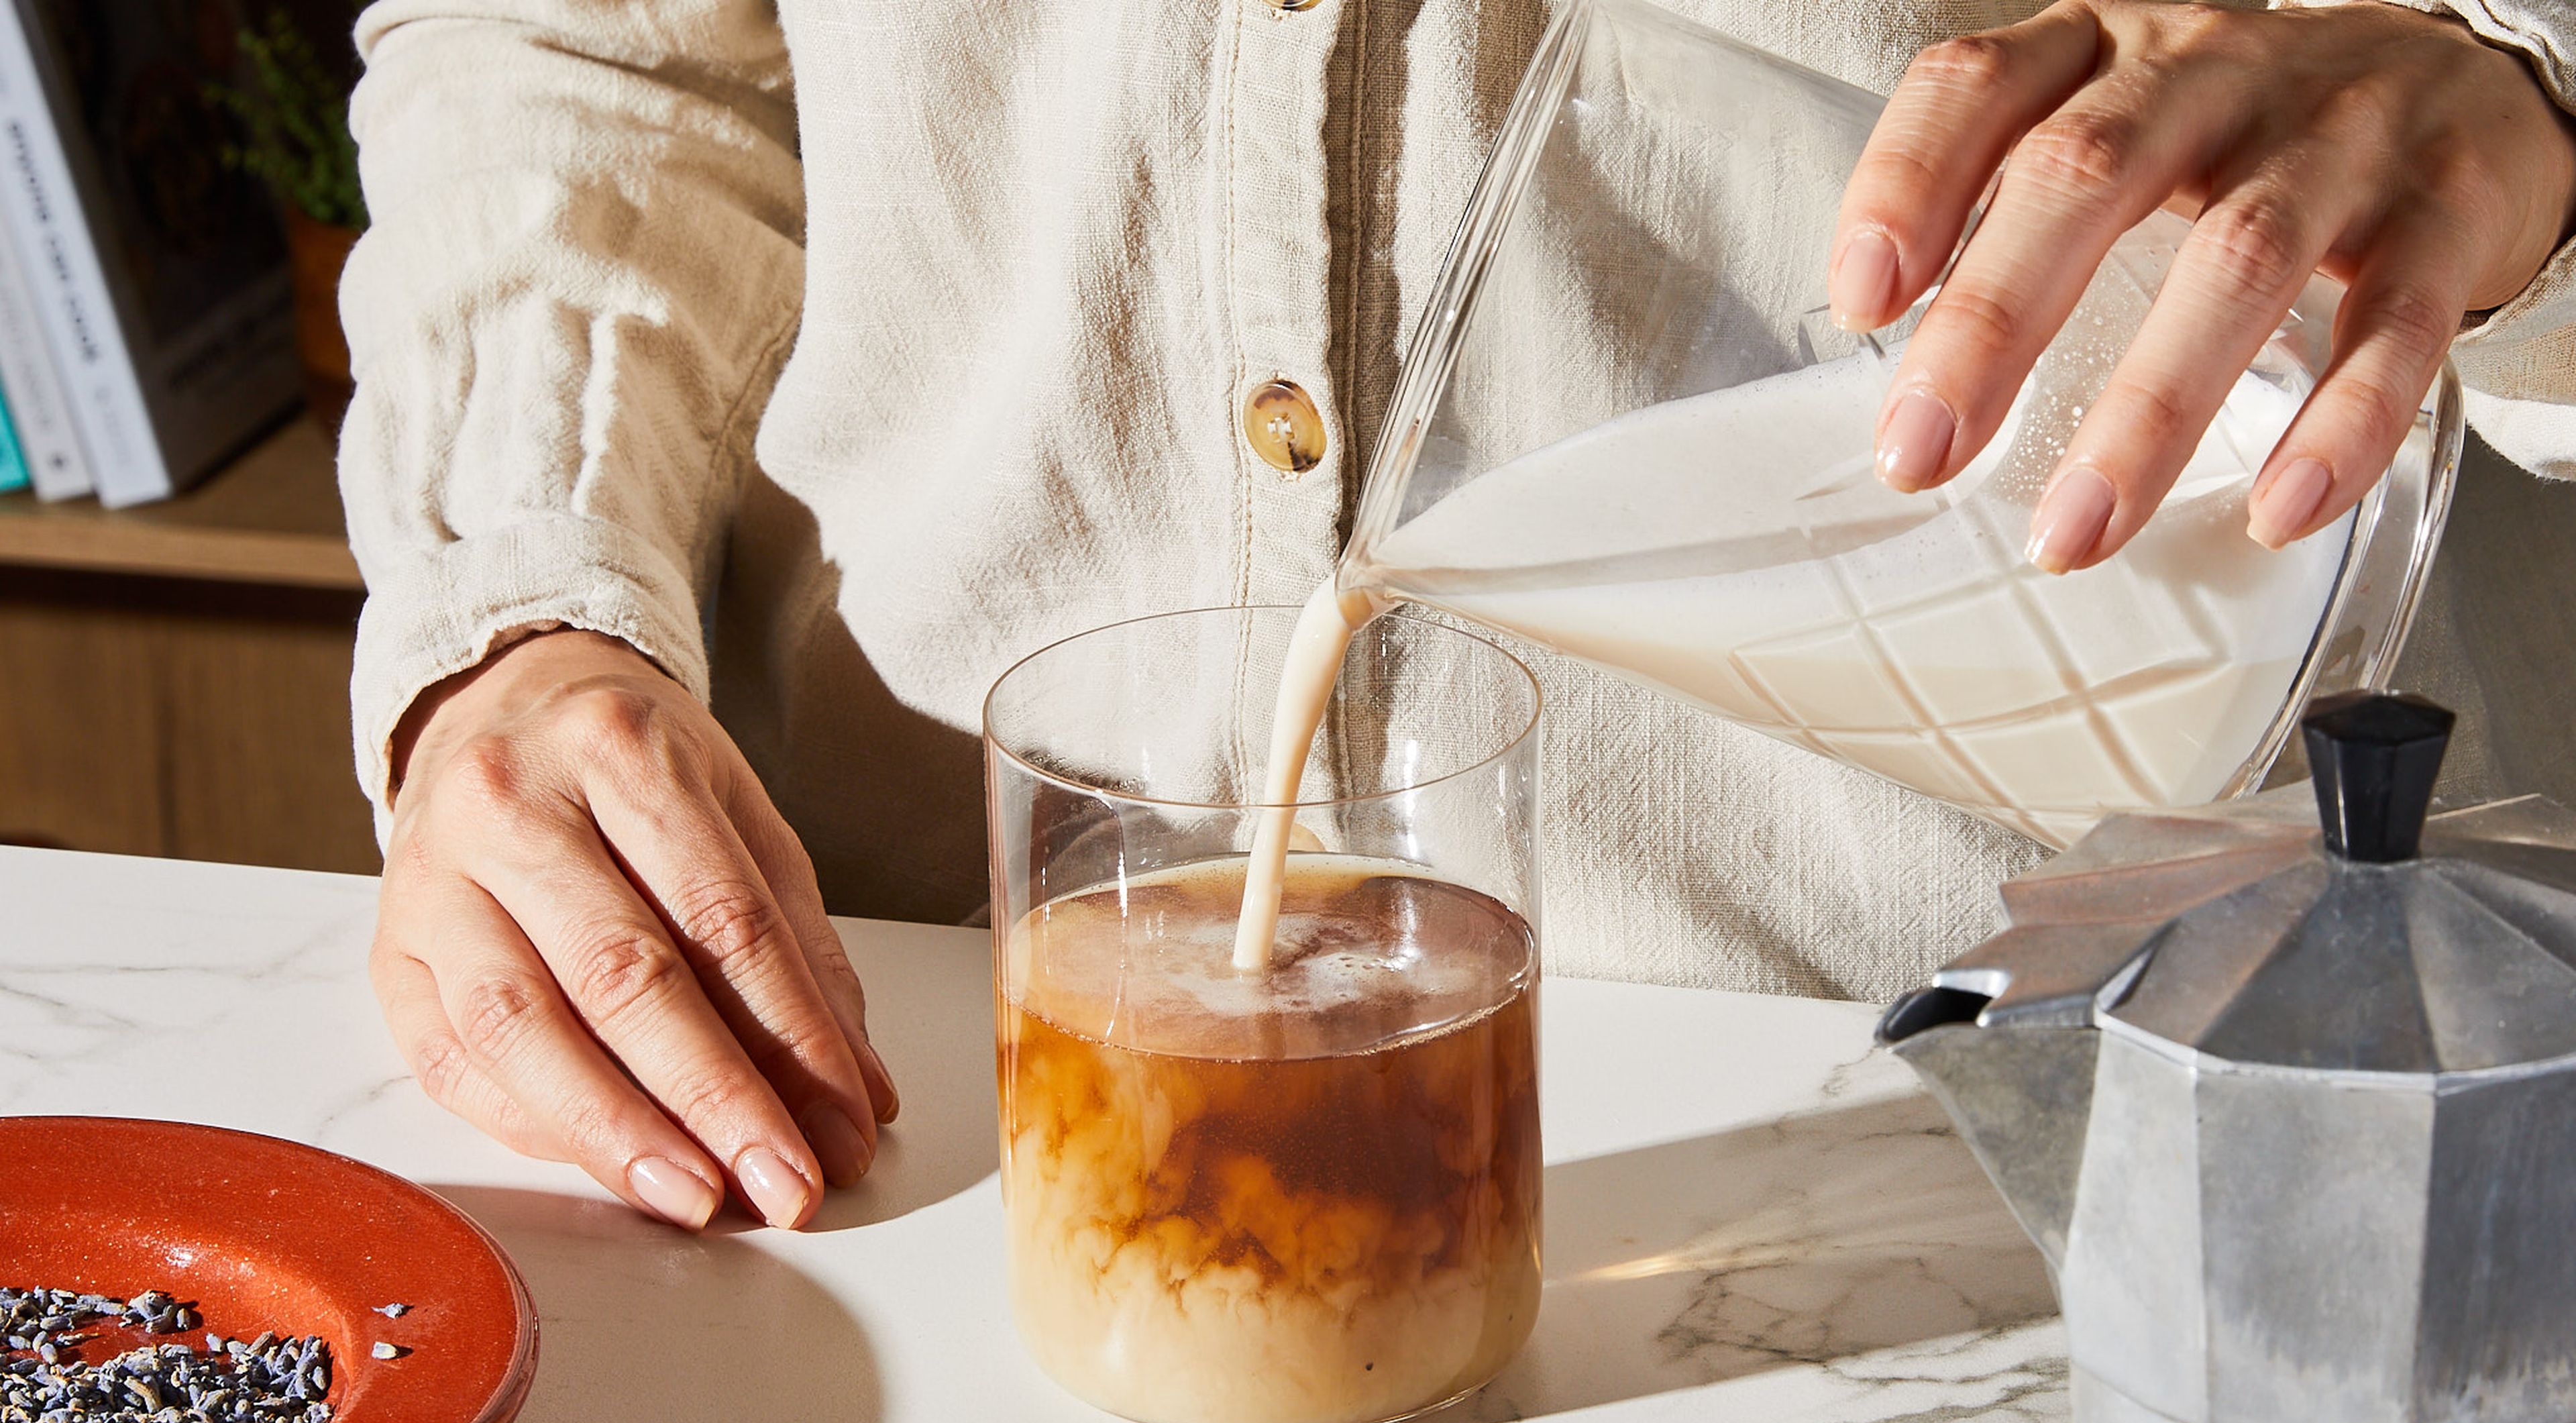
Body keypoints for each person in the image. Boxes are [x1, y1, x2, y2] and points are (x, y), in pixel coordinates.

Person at [341, 0, 2576, 1230]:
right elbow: (593, 50)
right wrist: (521, 604)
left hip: (2001, 1181)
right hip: (902, 1095)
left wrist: (2524, 94)